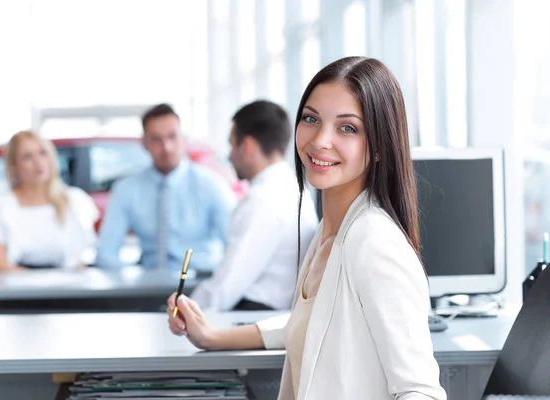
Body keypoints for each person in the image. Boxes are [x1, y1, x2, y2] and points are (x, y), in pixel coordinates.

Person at [167, 57, 446, 399]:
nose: (319, 140)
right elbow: (310, 325)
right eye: (311, 119)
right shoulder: (329, 235)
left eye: (347, 128)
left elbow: (421, 391)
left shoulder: (375, 245)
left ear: (379, 147)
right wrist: (211, 337)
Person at [190, 100, 318, 311]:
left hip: (254, 313)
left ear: (247, 146)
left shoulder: (263, 200)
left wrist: (183, 312)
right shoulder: (294, 188)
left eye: (232, 145)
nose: (230, 155)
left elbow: (226, 287)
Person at [96, 104, 236, 271]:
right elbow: (106, 253)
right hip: (147, 285)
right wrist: (132, 277)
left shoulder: (212, 185)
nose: (167, 147)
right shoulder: (126, 189)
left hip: (198, 284)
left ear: (184, 139)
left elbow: (235, 248)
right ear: (144, 143)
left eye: (172, 137)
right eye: (156, 139)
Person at [0, 131, 99, 272]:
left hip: (66, 286)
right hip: (18, 288)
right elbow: (0, 266)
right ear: (14, 165)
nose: (38, 163)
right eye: (27, 157)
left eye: (43, 153)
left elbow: (80, 260)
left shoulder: (74, 201)